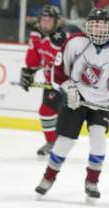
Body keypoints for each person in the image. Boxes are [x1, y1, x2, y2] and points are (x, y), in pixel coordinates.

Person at [34, 8, 109, 200]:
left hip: (101, 104)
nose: (99, 29)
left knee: (99, 140)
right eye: (95, 25)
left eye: (103, 25)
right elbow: (59, 72)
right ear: (88, 26)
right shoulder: (75, 42)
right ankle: (48, 178)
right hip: (76, 100)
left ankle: (92, 182)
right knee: (64, 142)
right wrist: (69, 89)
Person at [20, 5, 69, 157]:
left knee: (63, 116)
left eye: (49, 20)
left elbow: (64, 64)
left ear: (56, 22)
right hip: (51, 82)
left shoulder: (60, 39)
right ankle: (53, 143)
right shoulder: (36, 34)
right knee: (46, 111)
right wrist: (30, 70)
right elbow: (36, 59)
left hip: (65, 83)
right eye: (43, 20)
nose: (46, 23)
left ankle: (56, 143)